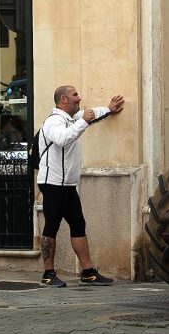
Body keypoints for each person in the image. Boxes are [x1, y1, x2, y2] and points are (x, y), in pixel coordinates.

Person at [37, 85, 124, 287]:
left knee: (78, 224)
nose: (79, 98)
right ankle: (48, 274)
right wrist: (83, 122)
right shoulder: (53, 122)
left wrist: (109, 109)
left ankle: (88, 272)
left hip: (67, 184)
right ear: (63, 100)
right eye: (75, 95)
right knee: (51, 227)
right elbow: (63, 139)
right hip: (52, 184)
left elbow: (91, 113)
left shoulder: (72, 119)